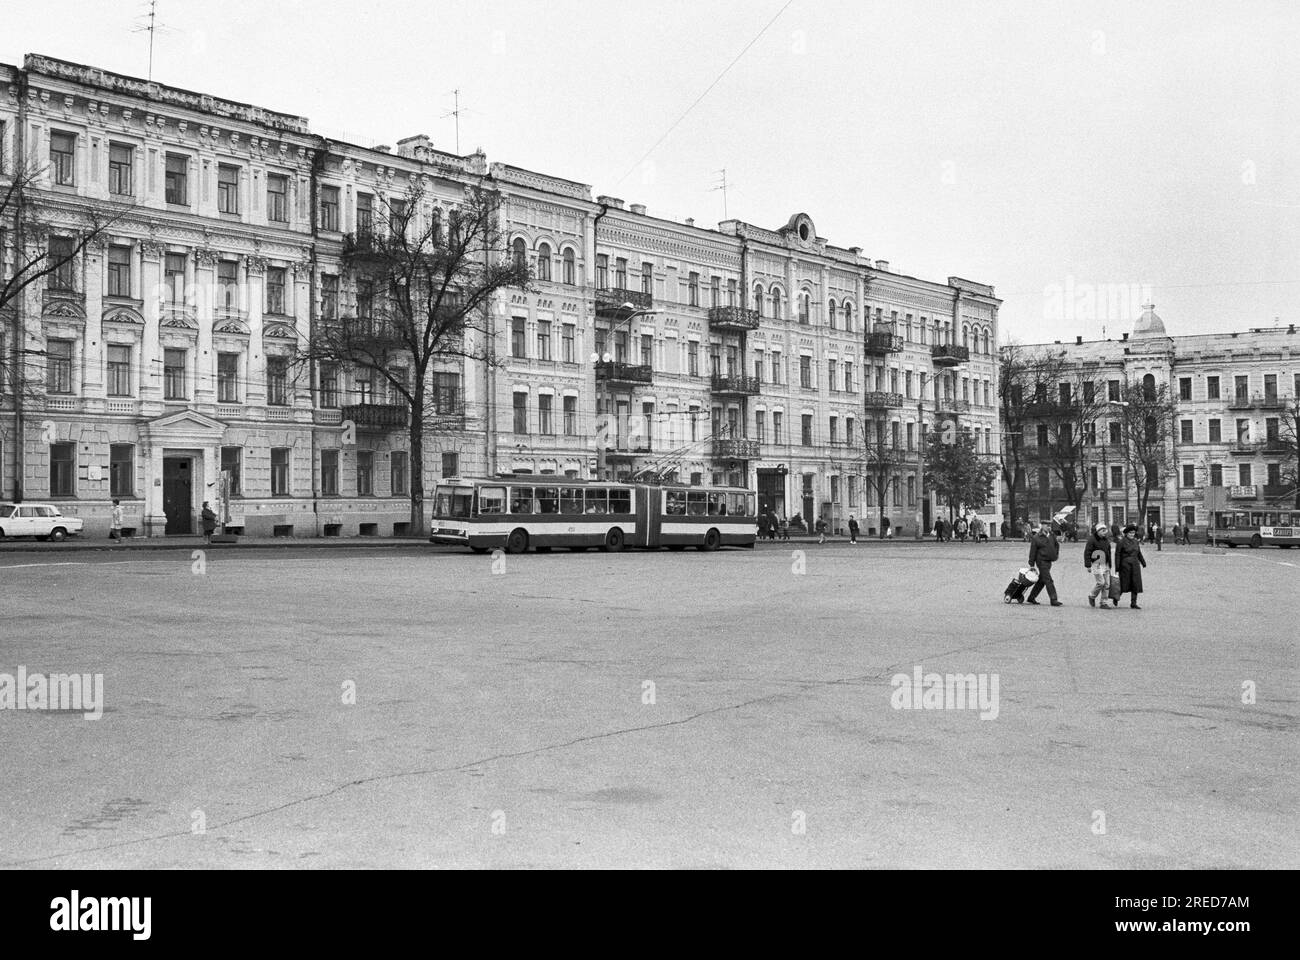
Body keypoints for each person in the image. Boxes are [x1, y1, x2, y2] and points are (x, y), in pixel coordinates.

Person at [1026, 520, 1064, 606]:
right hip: (1041, 561)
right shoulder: (1036, 537)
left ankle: (1031, 597)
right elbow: (1032, 552)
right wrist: (1031, 564)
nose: (1048, 527)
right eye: (1046, 525)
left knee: (1042, 581)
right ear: (1042, 526)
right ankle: (1053, 599)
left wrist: (1056, 555)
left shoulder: (1051, 535)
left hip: (1049, 561)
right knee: (1048, 580)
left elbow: (1056, 545)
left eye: (1049, 525)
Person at [1083, 522, 1114, 609]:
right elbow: (1087, 552)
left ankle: (1103, 602)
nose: (1105, 532)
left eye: (1105, 531)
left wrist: (1110, 564)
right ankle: (1092, 596)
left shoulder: (1106, 540)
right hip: (1096, 563)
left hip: (1106, 564)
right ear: (1098, 531)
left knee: (1107, 584)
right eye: (1103, 531)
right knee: (1101, 582)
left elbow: (1108, 552)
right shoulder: (1092, 539)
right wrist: (1088, 565)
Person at [1117, 524, 1147, 609]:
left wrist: (1143, 562)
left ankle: (1133, 603)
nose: (1132, 534)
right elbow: (1117, 555)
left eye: (1133, 533)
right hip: (1125, 565)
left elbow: (1139, 553)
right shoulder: (1121, 542)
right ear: (1126, 533)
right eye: (1130, 533)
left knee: (1135, 584)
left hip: (1135, 565)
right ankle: (1116, 597)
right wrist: (1117, 567)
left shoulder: (1136, 541)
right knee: (1124, 584)